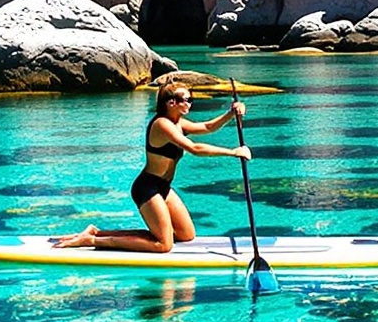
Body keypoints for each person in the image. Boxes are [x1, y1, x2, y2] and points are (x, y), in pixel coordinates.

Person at [50, 82, 247, 253]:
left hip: (163, 187)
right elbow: (194, 148)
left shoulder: (178, 123)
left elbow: (207, 127)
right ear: (171, 103)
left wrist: (231, 113)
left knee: (186, 235)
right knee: (163, 245)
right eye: (186, 100)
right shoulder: (162, 124)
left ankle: (97, 232)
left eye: (190, 99)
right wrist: (233, 152)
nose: (190, 103)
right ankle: (93, 241)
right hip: (147, 188)